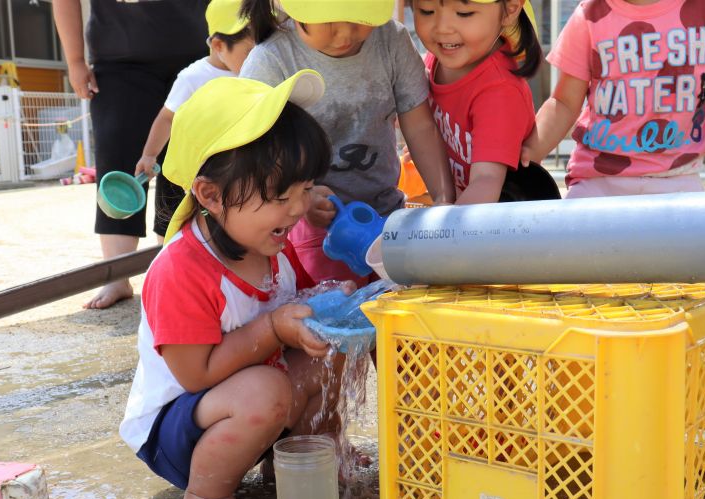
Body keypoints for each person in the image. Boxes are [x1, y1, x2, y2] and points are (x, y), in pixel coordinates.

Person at [120, 70, 346, 499]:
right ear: (210, 195)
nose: (298, 208)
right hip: (178, 431)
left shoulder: (270, 244)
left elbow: (297, 305)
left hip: (244, 402)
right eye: (281, 196)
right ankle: (205, 497)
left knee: (326, 350)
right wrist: (272, 329)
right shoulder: (181, 269)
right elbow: (196, 376)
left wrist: (330, 307)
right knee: (266, 389)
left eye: (305, 189)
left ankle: (310, 455)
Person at [237, 0, 456, 285]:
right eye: (328, 23)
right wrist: (305, 197)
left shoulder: (391, 41)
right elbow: (257, 155)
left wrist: (442, 196)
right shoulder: (273, 60)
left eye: (358, 21)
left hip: (387, 213)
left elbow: (420, 125)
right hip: (315, 226)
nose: (344, 36)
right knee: (337, 313)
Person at [520, 0, 705, 198]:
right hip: (598, 179)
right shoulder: (591, 14)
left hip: (678, 178)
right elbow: (564, 102)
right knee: (579, 264)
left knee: (686, 266)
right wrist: (529, 155)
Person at [52, 0, 208, 310]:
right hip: (119, 56)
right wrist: (74, 60)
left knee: (184, 164)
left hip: (198, 50)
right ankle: (117, 274)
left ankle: (176, 265)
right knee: (118, 158)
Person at [412, 0, 543, 204]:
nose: (442, 28)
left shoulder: (500, 90)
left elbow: (486, 181)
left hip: (494, 224)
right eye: (427, 11)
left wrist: (443, 231)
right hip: (454, 203)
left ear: (510, 10)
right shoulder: (438, 59)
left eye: (464, 14)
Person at [134, 0, 255, 179]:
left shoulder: (258, 72)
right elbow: (167, 118)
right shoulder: (193, 78)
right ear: (219, 45)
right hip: (205, 173)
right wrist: (149, 155)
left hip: (248, 167)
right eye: (249, 52)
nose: (257, 57)